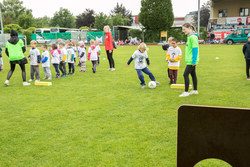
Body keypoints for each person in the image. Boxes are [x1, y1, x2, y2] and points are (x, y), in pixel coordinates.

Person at [179, 23, 199, 97]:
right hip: (190, 60)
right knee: (193, 74)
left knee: (185, 74)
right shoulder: (189, 37)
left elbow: (195, 49)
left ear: (189, 28)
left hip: (191, 60)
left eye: (184, 29)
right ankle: (195, 90)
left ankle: (186, 92)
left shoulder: (193, 37)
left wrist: (193, 60)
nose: (183, 31)